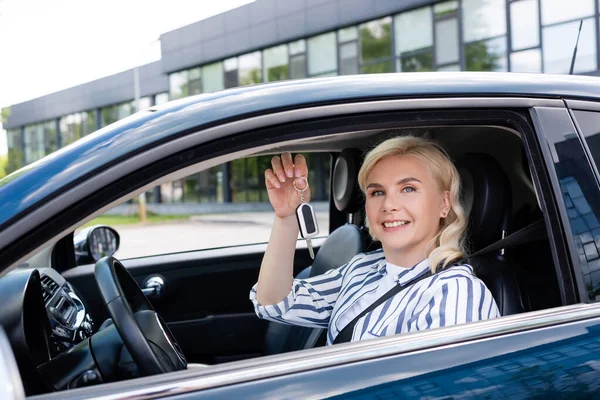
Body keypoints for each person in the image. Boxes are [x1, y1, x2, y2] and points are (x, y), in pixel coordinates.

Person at [250, 136, 500, 345]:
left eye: (409, 189)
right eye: (377, 192)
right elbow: (275, 304)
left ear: (444, 204)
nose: (389, 205)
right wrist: (286, 218)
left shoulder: (452, 293)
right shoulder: (362, 269)